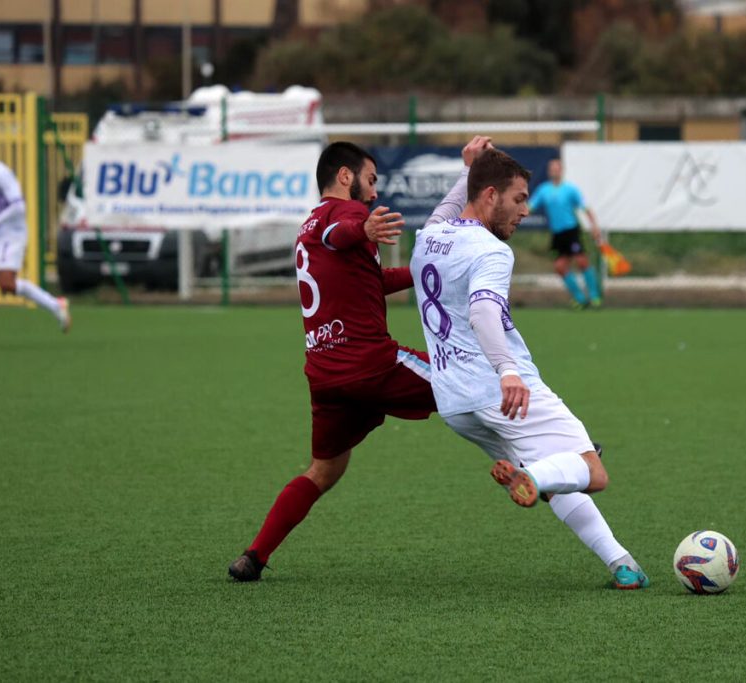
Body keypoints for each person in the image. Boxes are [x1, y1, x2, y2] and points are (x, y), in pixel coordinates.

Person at [228, 137, 494, 581]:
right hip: (370, 363)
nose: (374, 193)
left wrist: (430, 268)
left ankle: (254, 556)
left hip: (325, 374)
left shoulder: (309, 224)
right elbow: (344, 231)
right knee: (467, 377)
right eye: (370, 181)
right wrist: (364, 229)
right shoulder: (344, 215)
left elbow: (371, 278)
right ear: (345, 176)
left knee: (324, 471)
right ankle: (547, 460)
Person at [410, 148, 649, 589]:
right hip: (503, 391)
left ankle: (622, 564)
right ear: (488, 196)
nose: (525, 210)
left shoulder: (428, 237)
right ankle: (532, 478)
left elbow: (448, 208)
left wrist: (467, 168)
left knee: (559, 473)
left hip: (455, 403)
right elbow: (483, 311)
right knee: (590, 471)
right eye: (518, 199)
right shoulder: (492, 251)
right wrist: (508, 371)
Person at [0, 138, 71, 340]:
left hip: (12, 233)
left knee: (6, 285)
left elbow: (19, 206)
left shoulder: (1, 174)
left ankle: (56, 305)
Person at [528, 158, 603, 308]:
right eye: (552, 169)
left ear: (562, 171)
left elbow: (586, 208)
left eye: (557, 168)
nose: (554, 171)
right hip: (557, 234)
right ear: (549, 171)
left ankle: (595, 297)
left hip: (571, 231)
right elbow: (530, 207)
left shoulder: (571, 189)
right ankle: (581, 299)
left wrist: (594, 227)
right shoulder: (543, 190)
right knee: (560, 267)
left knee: (582, 261)